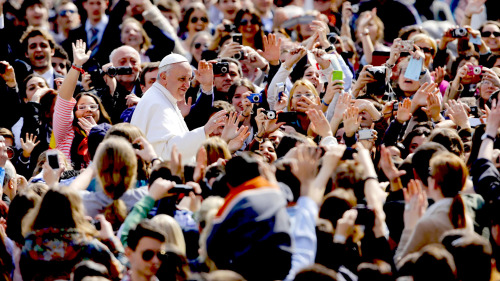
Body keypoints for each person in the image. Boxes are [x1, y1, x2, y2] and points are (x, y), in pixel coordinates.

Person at [131, 54, 227, 164]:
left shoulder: (163, 98)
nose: (187, 85)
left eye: (189, 79)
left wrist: (207, 85)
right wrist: (204, 131)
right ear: (163, 77)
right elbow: (166, 151)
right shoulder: (156, 103)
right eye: (182, 79)